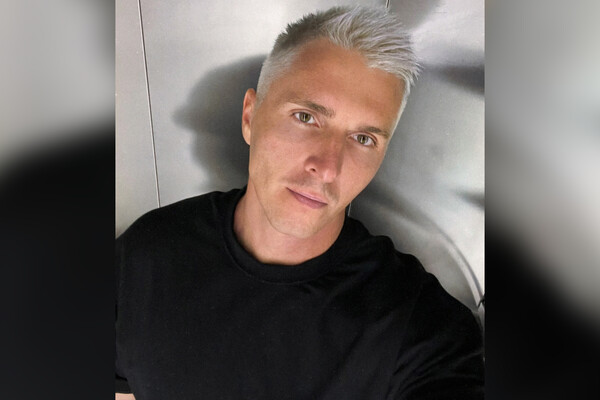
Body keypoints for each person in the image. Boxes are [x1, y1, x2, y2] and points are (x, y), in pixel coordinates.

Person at [116, 6, 484, 399]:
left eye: (363, 139)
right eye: (306, 117)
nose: (327, 168)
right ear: (250, 116)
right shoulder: (146, 257)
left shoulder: (419, 328)